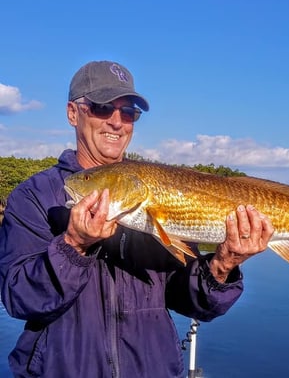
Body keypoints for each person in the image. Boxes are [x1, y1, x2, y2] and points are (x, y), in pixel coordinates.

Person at [0, 60, 274, 378]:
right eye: (102, 107)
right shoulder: (34, 196)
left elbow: (188, 299)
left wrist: (223, 266)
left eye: (128, 112)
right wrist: (72, 247)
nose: (117, 122)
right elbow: (19, 300)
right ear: (73, 113)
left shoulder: (156, 189)